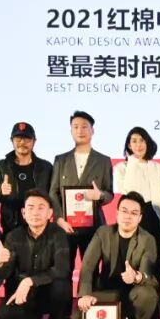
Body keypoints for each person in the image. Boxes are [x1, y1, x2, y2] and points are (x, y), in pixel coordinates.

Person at [76, 192, 160, 319]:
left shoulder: (147, 239)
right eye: (124, 211)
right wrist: (85, 294)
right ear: (117, 212)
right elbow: (87, 266)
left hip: (134, 293)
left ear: (140, 218)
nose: (128, 216)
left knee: (147, 293)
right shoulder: (103, 233)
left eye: (134, 213)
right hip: (108, 292)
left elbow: (148, 273)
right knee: (78, 317)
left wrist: (136, 276)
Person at [0, 190, 73, 319]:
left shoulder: (58, 234)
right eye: (30, 208)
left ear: (50, 213)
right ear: (23, 213)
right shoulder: (13, 236)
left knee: (62, 287)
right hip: (26, 293)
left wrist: (30, 281)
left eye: (41, 208)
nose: (35, 213)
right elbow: (4, 274)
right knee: (5, 314)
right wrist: (0, 263)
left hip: (49, 289)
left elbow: (61, 269)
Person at [113, 127, 160, 319]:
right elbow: (128, 192)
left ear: (148, 142)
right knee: (132, 263)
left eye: (142, 140)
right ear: (128, 145)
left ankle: (152, 311)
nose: (138, 145)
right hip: (133, 218)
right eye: (134, 141)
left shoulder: (158, 168)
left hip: (153, 217)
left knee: (155, 264)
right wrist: (133, 162)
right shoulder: (122, 168)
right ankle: (130, 313)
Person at [49, 110, 114, 273]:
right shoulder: (60, 160)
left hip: (93, 227)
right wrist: (59, 219)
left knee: (91, 272)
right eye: (76, 127)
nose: (80, 130)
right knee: (62, 272)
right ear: (71, 130)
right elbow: (53, 192)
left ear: (93, 130)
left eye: (84, 126)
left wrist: (100, 195)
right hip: (65, 227)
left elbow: (109, 194)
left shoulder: (103, 161)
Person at [0, 121, 53, 235]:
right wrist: (0, 190)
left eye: (27, 139)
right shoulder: (1, 166)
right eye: (18, 139)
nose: (22, 142)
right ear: (12, 141)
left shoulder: (46, 167)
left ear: (34, 141)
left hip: (39, 226)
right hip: (11, 227)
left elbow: (53, 195)